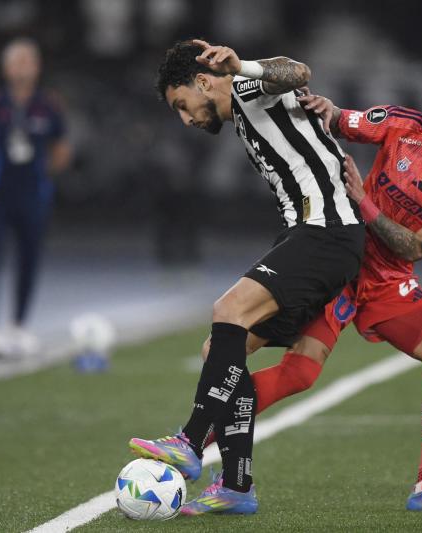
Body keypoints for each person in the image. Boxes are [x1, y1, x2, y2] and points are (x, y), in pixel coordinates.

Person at [194, 66, 422, 514]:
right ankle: (195, 442)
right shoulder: (407, 126)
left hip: (389, 280)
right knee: (294, 373)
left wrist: (365, 201)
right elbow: (341, 120)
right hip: (342, 265)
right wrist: (322, 108)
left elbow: (415, 247)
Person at [128, 39, 364, 515]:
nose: (186, 118)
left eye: (182, 105)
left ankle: (190, 442)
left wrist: (241, 66)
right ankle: (236, 486)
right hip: (307, 235)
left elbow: (298, 70)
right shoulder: (243, 112)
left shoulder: (248, 89)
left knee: (227, 310)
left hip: (328, 231)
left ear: (203, 81)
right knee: (220, 348)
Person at [0, 38, 72, 357]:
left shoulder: (48, 105)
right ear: (6, 68)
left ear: (37, 67)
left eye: (28, 61)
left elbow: (62, 148)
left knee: (29, 258)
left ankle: (19, 325)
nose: (22, 67)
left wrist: (41, 173)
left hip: (33, 195)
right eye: (16, 62)